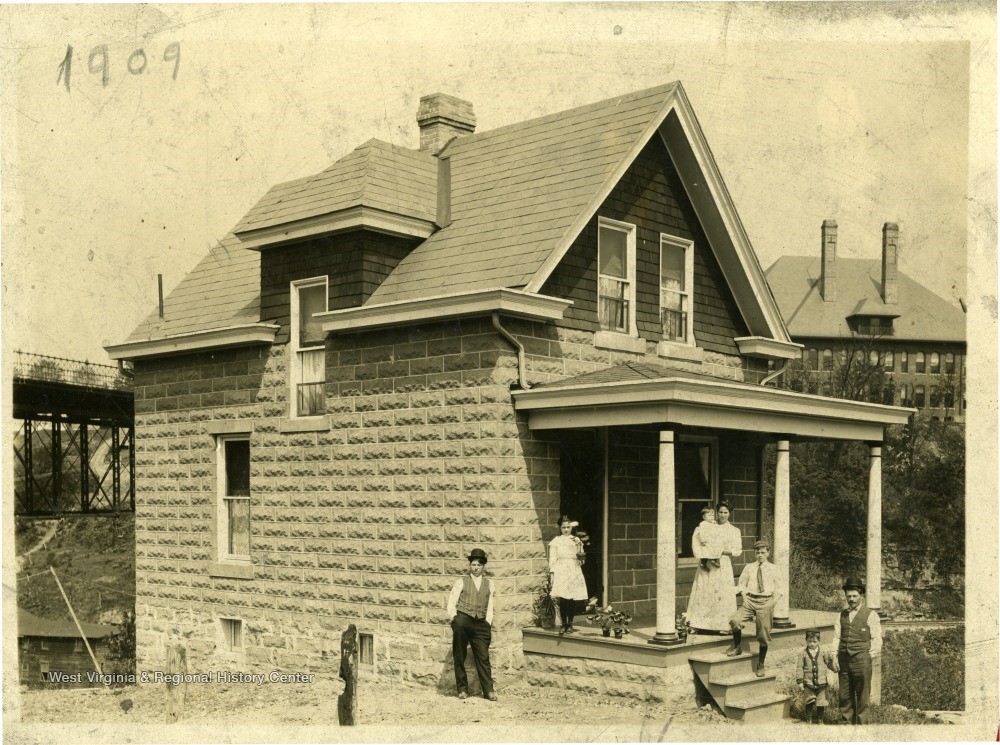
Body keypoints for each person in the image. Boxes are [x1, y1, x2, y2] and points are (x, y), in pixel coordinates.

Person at [829, 576, 882, 724]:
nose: (851, 599)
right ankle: (846, 724)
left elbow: (877, 638)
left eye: (854, 596)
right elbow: (836, 637)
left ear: (861, 595)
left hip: (862, 660)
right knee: (844, 695)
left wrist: (868, 656)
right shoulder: (841, 615)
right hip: (844, 661)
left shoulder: (871, 614)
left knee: (863, 695)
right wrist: (834, 656)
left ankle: (862, 726)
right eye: (849, 596)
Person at [446, 548, 497, 701]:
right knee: (459, 654)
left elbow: (490, 606)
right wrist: (455, 619)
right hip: (463, 620)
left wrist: (487, 622)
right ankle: (462, 689)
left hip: (481, 623)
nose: (475, 568)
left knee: (483, 656)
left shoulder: (490, 584)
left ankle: (488, 690)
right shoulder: (461, 582)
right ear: (470, 565)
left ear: (483, 567)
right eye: (473, 565)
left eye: (479, 565)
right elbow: (451, 602)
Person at [728, 539, 781, 678]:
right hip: (750, 600)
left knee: (763, 633)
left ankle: (761, 664)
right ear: (754, 553)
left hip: (765, 601)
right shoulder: (749, 567)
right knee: (735, 620)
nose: (760, 555)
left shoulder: (774, 569)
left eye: (763, 552)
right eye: (757, 552)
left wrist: (771, 604)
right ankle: (738, 647)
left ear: (768, 553)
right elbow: (741, 584)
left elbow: (780, 590)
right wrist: (745, 598)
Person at [686, 503, 741, 633]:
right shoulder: (709, 526)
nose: (722, 515)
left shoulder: (734, 530)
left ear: (730, 513)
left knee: (722, 593)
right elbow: (699, 541)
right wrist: (705, 553)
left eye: (725, 512)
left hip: (723, 564)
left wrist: (720, 551)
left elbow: (737, 551)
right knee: (705, 591)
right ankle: (699, 624)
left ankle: (722, 626)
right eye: (720, 512)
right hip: (708, 562)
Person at [548, 515, 589, 635]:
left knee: (571, 598)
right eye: (563, 527)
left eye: (568, 527)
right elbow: (552, 559)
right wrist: (552, 574)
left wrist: (579, 545)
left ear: (571, 528)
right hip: (561, 570)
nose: (566, 529)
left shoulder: (576, 540)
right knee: (562, 598)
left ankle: (570, 623)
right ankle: (563, 624)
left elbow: (581, 560)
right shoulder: (556, 541)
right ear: (560, 528)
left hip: (573, 570)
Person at [796, 628, 834, 724]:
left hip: (822, 683)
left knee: (821, 702)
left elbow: (828, 662)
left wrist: (833, 665)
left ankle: (820, 718)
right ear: (806, 641)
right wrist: (800, 682)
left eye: (814, 641)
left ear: (819, 641)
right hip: (809, 682)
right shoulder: (803, 654)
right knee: (809, 700)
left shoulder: (823, 652)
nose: (812, 644)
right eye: (809, 641)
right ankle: (809, 717)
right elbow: (799, 668)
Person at [695, 506, 722, 571]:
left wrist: (714, 523)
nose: (712, 517)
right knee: (705, 552)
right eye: (709, 515)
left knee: (713, 548)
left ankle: (714, 559)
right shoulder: (703, 524)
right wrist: (702, 540)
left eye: (713, 515)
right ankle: (703, 563)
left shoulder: (712, 523)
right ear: (704, 517)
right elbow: (701, 532)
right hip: (706, 540)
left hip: (711, 540)